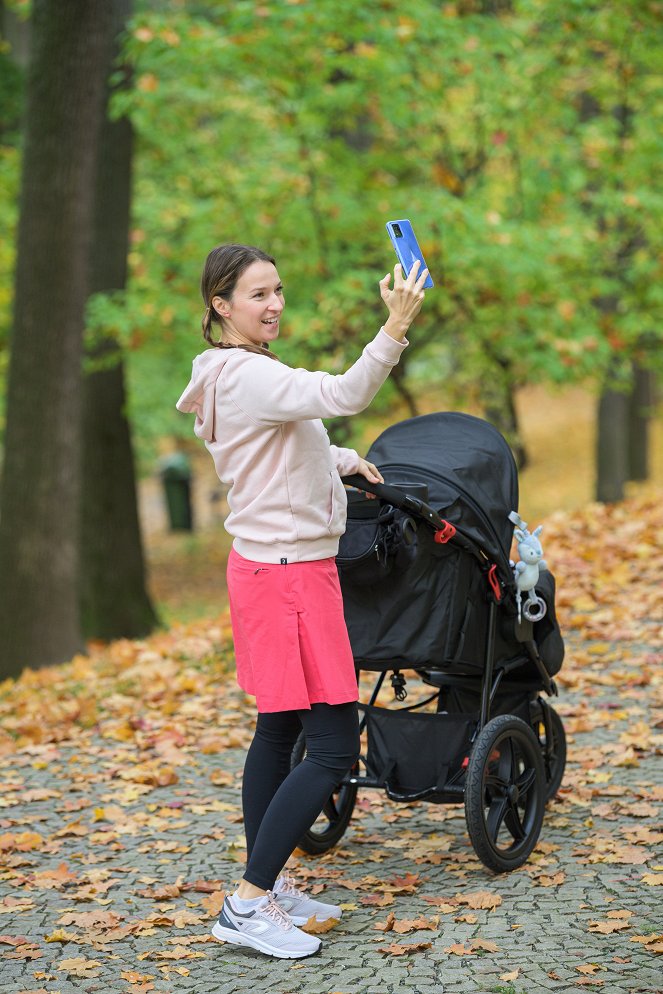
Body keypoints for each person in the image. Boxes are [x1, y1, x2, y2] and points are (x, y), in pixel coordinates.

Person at [176, 243, 428, 959]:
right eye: (258, 294)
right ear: (220, 305)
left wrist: (341, 461)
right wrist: (395, 328)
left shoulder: (228, 373)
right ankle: (249, 902)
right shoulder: (251, 374)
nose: (275, 304)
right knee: (329, 746)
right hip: (290, 577)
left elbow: (277, 444)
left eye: (278, 289)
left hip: (264, 568)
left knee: (278, 732)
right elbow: (342, 394)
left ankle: (271, 886)